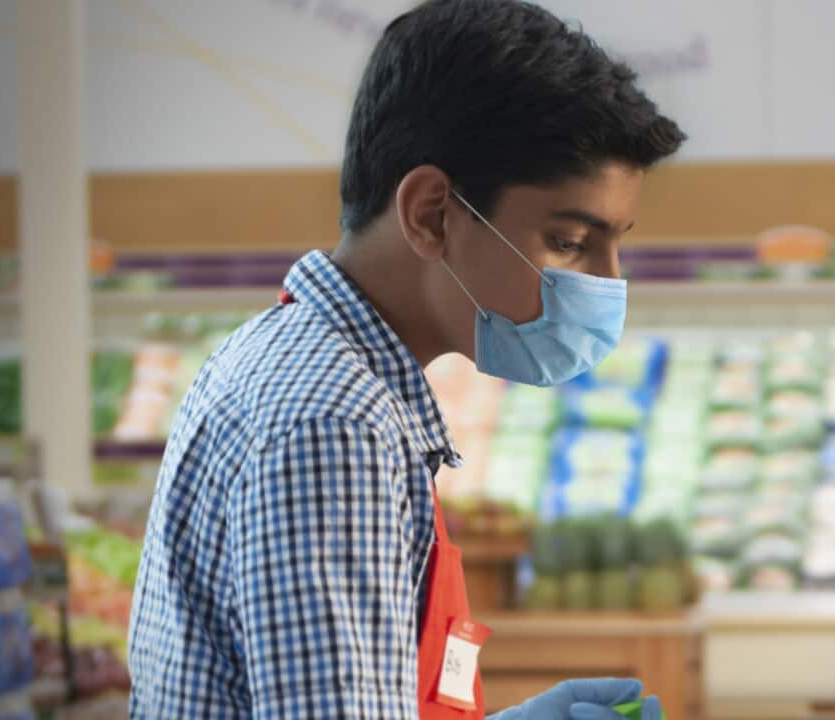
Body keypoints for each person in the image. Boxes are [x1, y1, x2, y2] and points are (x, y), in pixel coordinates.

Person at [126, 0, 685, 717]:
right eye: (570, 242)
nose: (608, 284)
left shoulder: (293, 359)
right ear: (430, 214)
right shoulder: (333, 427)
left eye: (615, 244)